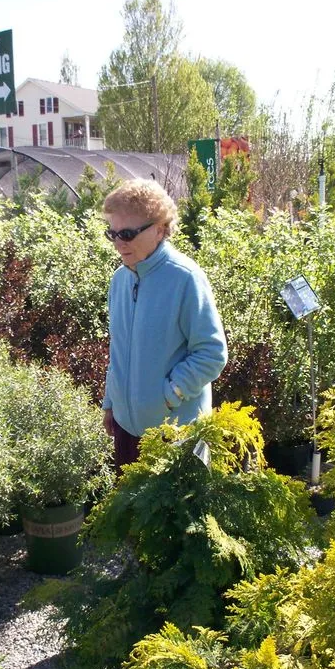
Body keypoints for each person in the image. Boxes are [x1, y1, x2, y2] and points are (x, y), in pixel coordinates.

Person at [100, 178, 227, 470]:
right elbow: (118, 350)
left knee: (177, 503)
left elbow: (211, 353)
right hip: (127, 430)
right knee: (131, 501)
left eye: (127, 234)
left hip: (175, 434)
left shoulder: (185, 278)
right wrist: (111, 402)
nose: (119, 243)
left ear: (159, 229)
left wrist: (169, 396)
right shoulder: (120, 281)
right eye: (113, 234)